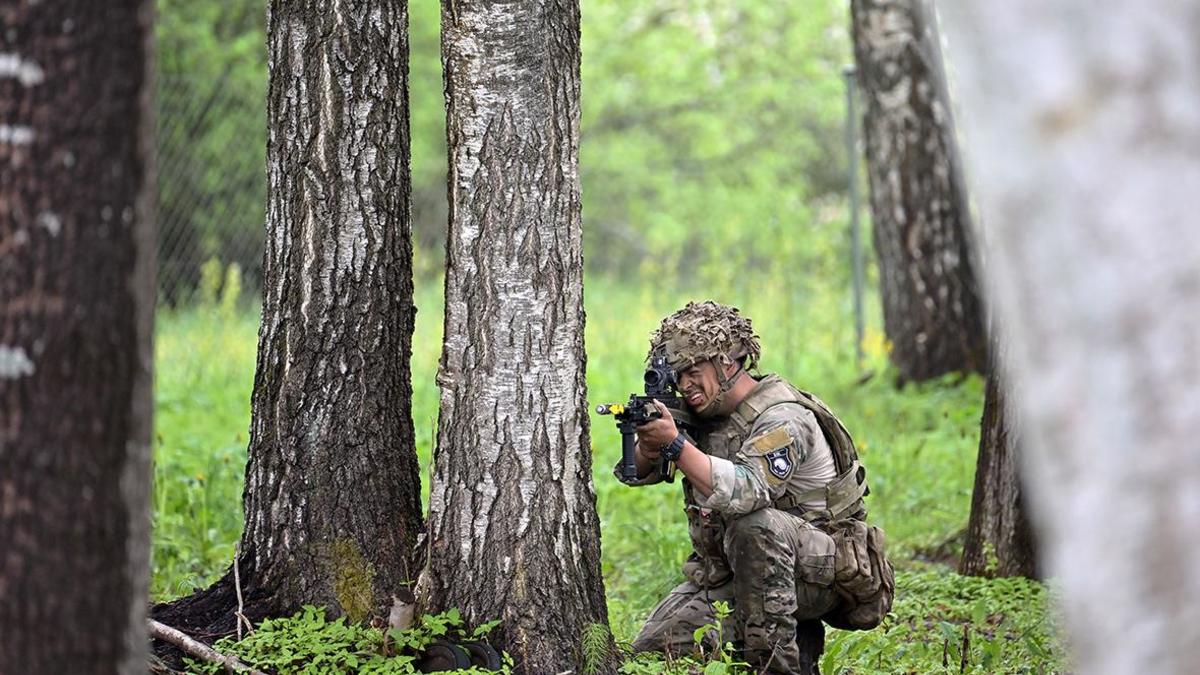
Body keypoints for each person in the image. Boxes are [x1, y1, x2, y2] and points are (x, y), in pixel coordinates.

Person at [618, 300, 873, 674]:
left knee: (755, 524)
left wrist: (677, 444)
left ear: (726, 361)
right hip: (742, 573)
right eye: (678, 375)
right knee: (653, 654)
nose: (685, 384)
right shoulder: (708, 414)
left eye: (693, 370)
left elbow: (748, 491)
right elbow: (638, 473)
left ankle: (779, 666)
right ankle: (787, 638)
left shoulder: (783, 416)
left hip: (820, 574)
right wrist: (651, 441)